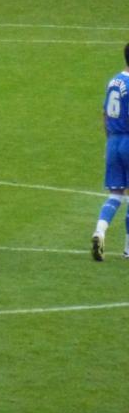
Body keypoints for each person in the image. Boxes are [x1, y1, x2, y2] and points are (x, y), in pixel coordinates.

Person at [91, 43, 129, 261]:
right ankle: (128, 249)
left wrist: (109, 144)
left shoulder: (114, 81)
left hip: (113, 141)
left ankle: (99, 231)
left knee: (115, 194)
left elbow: (105, 113)